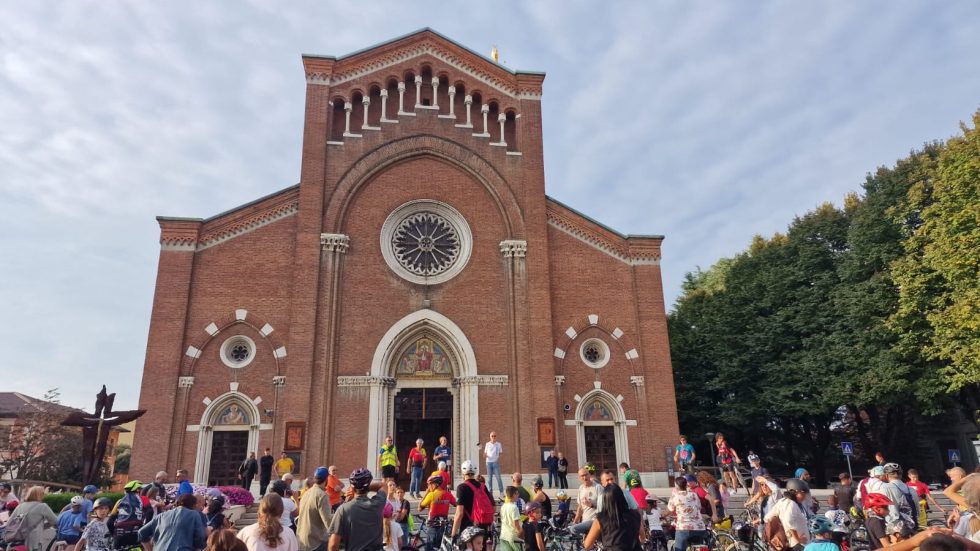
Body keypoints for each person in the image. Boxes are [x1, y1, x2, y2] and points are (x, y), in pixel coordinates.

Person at [327, 468, 388, 551]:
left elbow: (333, 545)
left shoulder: (343, 509)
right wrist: (364, 486)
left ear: (352, 486)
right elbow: (383, 485)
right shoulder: (377, 504)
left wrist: (356, 487)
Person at [138, 493, 208, 551]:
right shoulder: (194, 514)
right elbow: (200, 537)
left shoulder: (162, 516)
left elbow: (141, 533)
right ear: (194, 505)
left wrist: (150, 549)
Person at [584, 483, 641, 551]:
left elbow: (587, 545)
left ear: (605, 500)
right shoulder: (635, 514)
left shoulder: (601, 519)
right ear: (622, 497)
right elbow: (642, 537)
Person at [450, 460, 494, 540]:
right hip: (483, 527)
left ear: (463, 473)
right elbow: (492, 506)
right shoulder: (482, 486)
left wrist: (453, 534)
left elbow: (459, 513)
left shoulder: (462, 487)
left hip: (468, 528)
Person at [764, 481, 811, 551]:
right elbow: (789, 522)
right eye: (802, 493)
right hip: (797, 544)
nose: (804, 496)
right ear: (795, 492)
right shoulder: (792, 504)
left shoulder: (782, 501)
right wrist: (798, 539)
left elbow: (767, 517)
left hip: (790, 542)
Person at [296, 466, 332, 551]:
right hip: (315, 542)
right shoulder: (322, 495)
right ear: (326, 479)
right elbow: (328, 521)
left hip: (301, 541)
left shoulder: (306, 493)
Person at [668, 476, 706, 551]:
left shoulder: (675, 496)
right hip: (699, 527)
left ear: (676, 486)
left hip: (683, 528)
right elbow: (699, 507)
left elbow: (670, 508)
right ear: (686, 485)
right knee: (698, 548)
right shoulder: (694, 495)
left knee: (679, 549)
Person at [419, 474, 456, 551]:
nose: (428, 487)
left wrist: (426, 493)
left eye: (429, 484)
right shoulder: (448, 494)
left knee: (430, 549)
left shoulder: (431, 495)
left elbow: (419, 508)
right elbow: (457, 505)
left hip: (433, 527)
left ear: (435, 484)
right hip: (444, 527)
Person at [571, 467, 599, 535]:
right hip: (585, 520)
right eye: (582, 476)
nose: (585, 477)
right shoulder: (581, 488)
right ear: (579, 478)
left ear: (589, 475)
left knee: (573, 529)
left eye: (586, 475)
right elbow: (580, 507)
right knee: (571, 529)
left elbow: (605, 506)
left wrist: (591, 505)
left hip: (595, 520)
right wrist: (575, 521)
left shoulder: (597, 487)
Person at [498, 487, 522, 551]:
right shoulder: (514, 507)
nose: (518, 495)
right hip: (513, 537)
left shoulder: (503, 506)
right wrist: (521, 535)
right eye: (517, 493)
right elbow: (516, 524)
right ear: (513, 494)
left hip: (503, 535)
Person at [483, 432, 504, 499]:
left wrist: (497, 458)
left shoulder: (498, 444)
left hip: (495, 463)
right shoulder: (487, 444)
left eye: (494, 436)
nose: (493, 437)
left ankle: (501, 493)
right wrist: (485, 455)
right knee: (489, 479)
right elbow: (484, 454)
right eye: (492, 436)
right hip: (488, 463)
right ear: (490, 437)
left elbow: (500, 453)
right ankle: (490, 494)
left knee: (498, 478)